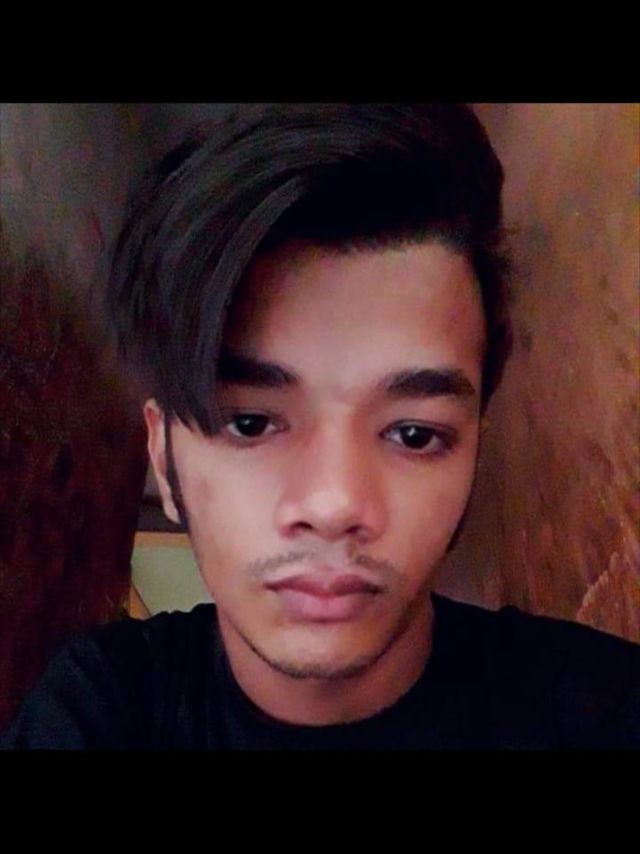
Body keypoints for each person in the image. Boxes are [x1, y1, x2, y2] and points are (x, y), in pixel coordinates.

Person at [2, 104, 638, 750]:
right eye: (251, 423)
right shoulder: (95, 709)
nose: (334, 506)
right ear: (163, 460)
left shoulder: (603, 711)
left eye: (414, 435)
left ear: (475, 450)